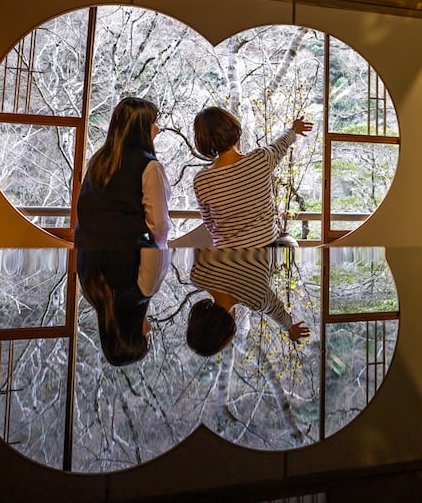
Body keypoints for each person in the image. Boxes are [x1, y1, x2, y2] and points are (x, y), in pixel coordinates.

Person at [74, 96, 173, 366]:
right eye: (155, 123)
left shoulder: (99, 161)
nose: (158, 128)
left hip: (89, 253)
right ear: (142, 128)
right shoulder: (148, 165)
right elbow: (160, 227)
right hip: (130, 255)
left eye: (145, 336)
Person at [192, 106, 313, 248]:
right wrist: (293, 129)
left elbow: (210, 223)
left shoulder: (202, 180)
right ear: (235, 130)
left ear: (202, 141)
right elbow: (280, 144)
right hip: (266, 250)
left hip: (228, 255)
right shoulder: (260, 159)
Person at [186, 246, 311, 356]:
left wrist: (290, 328)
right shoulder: (198, 276)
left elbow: (276, 311)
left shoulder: (257, 297)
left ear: (228, 329)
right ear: (197, 316)